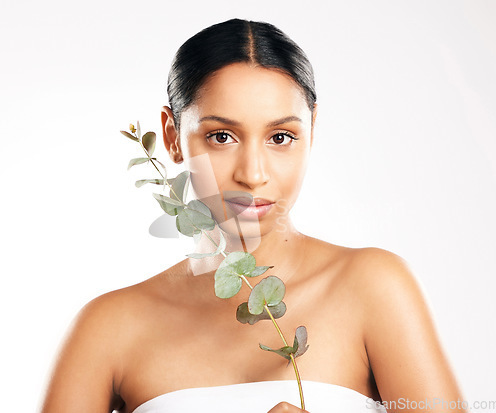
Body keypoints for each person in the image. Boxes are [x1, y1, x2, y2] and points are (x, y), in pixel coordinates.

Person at [40, 18, 466, 413]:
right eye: (221, 136)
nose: (253, 173)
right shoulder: (107, 328)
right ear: (171, 137)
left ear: (312, 131)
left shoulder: (374, 288)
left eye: (281, 137)